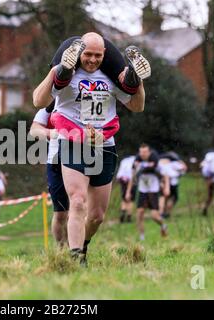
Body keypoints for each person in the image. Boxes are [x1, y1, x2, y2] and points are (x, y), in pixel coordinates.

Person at [33, 32, 149, 266]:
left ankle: (83, 246)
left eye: (97, 55)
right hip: (72, 142)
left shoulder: (110, 79)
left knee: (96, 216)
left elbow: (137, 106)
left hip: (103, 145)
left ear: (104, 55)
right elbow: (38, 100)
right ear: (79, 53)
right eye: (87, 54)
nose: (92, 60)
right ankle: (75, 258)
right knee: (76, 201)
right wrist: (55, 72)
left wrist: (138, 83)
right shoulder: (67, 76)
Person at [29, 103, 69, 246]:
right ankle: (61, 249)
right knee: (60, 213)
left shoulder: (83, 102)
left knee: (78, 208)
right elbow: (33, 130)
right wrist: (50, 133)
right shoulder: (49, 108)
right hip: (55, 163)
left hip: (81, 159)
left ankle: (76, 249)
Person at [126, 144, 169, 241]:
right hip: (142, 191)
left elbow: (165, 175)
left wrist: (166, 187)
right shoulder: (137, 164)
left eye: (145, 152)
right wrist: (128, 192)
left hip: (153, 191)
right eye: (141, 152)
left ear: (149, 152)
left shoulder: (156, 163)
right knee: (139, 213)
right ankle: (142, 237)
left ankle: (163, 225)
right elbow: (132, 179)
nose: (143, 154)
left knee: (154, 216)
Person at [158, 152, 187, 219]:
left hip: (162, 182)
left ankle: (162, 213)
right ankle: (167, 213)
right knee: (174, 198)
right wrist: (179, 161)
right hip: (173, 183)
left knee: (163, 197)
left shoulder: (159, 162)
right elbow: (184, 168)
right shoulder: (174, 163)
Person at [116, 155, 136, 223]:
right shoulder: (135, 161)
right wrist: (128, 191)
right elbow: (132, 177)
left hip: (122, 179)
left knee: (124, 199)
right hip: (130, 180)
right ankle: (129, 217)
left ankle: (123, 213)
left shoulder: (124, 161)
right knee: (130, 200)